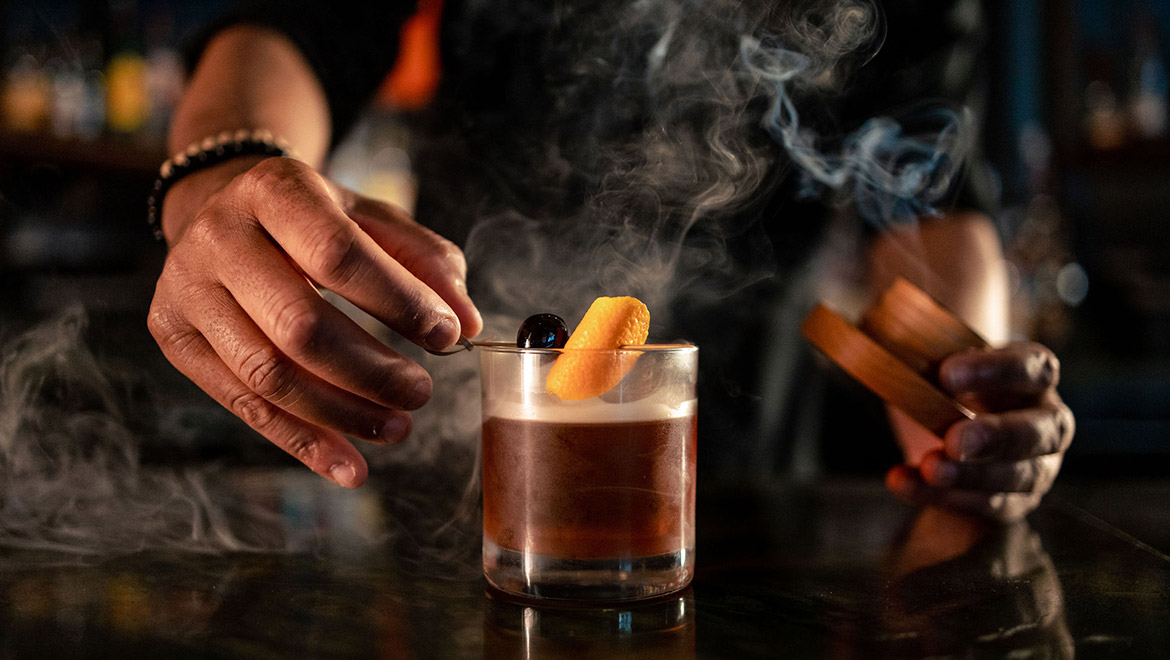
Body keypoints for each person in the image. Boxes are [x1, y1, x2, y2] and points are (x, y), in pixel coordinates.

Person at [147, 0, 1074, 522]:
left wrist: (964, 385)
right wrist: (223, 173)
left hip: (757, 500)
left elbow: (928, 189)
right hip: (474, 481)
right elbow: (289, 26)